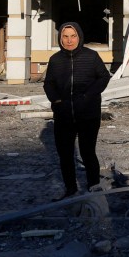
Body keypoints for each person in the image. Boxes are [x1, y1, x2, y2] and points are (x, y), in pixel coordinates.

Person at [43, 22, 112, 199]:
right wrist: (56, 100)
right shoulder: (55, 60)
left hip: (88, 114)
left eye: (73, 36)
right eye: (65, 36)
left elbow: (103, 77)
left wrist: (88, 96)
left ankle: (93, 189)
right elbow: (48, 83)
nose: (69, 40)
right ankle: (71, 190)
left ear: (79, 37)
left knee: (88, 153)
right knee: (65, 155)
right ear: (60, 39)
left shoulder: (91, 56)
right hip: (63, 115)